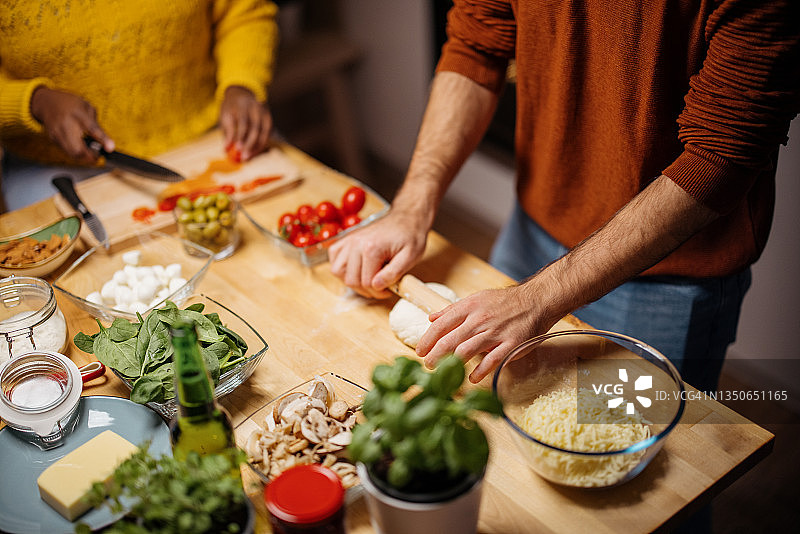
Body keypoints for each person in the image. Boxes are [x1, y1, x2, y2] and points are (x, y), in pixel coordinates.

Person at [329, 0, 799, 391]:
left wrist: (538, 299)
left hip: (670, 274)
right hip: (532, 228)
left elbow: (720, 156)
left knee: (627, 467)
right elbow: (477, 47)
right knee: (507, 412)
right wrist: (412, 207)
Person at [0, 0, 278, 211]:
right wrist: (35, 101)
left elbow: (245, 12)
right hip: (52, 169)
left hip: (212, 137)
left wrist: (241, 81)